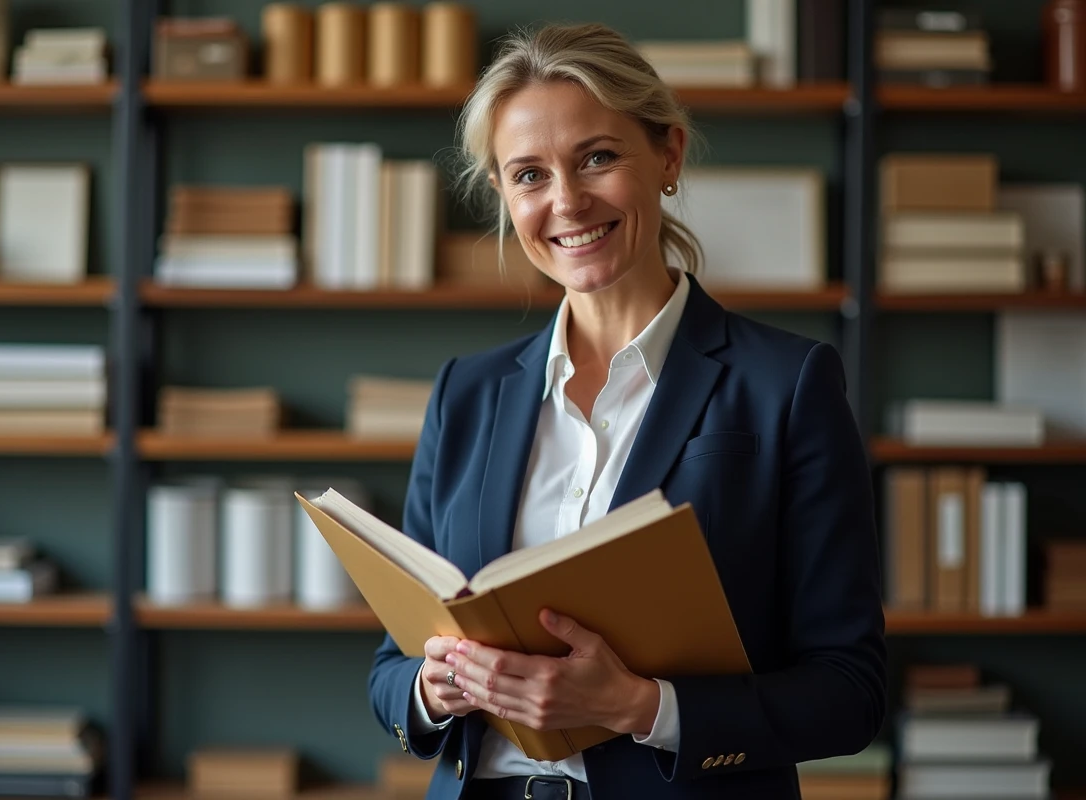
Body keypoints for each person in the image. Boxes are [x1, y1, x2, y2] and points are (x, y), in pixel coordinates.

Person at [367, 20, 887, 800]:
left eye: (598, 158)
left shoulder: (788, 384)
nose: (567, 201)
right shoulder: (464, 394)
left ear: (668, 155)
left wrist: (645, 707)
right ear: (505, 197)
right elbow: (388, 673)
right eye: (529, 176)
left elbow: (850, 693)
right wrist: (432, 689)